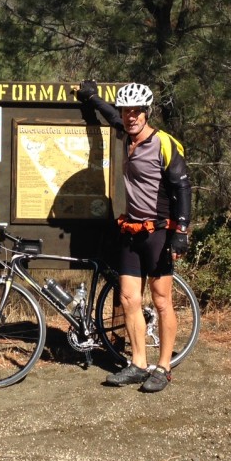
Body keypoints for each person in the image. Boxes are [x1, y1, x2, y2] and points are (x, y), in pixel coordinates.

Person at [76, 80, 192, 392]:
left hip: (158, 233)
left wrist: (181, 233)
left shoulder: (163, 143)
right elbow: (112, 117)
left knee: (162, 300)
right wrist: (92, 99)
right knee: (129, 298)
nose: (131, 116)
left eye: (137, 111)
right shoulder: (126, 134)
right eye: (128, 110)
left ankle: (163, 368)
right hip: (131, 231)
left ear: (147, 112)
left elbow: (182, 188)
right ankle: (139, 363)